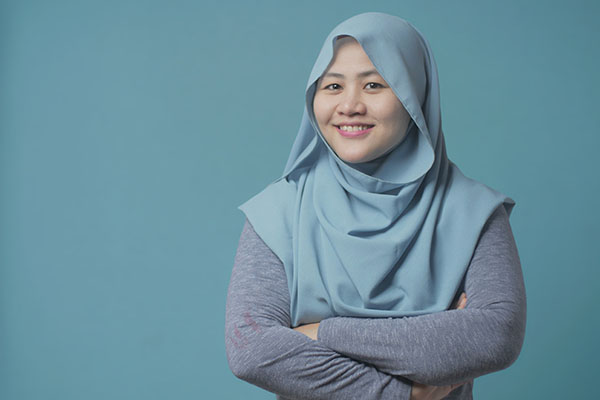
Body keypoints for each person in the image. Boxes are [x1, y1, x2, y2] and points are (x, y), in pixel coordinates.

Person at [225, 12, 526, 400]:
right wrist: (404, 393)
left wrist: (320, 332)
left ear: (415, 95)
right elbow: (251, 351)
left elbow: (496, 336)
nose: (349, 105)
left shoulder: (474, 212)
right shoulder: (278, 213)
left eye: (374, 84)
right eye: (333, 86)